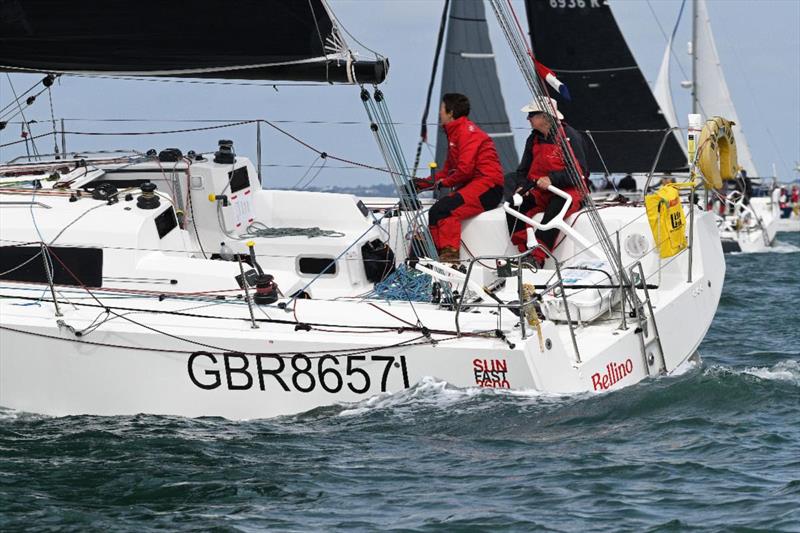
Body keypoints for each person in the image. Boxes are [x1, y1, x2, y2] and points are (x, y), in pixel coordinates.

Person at [413, 93, 504, 264]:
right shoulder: (455, 133)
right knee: (436, 212)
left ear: (451, 112)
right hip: (475, 185)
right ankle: (434, 254)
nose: (439, 113)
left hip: (488, 187)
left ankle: (450, 258)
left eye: (441, 109)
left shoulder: (466, 132)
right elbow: (448, 171)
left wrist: (445, 183)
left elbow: (465, 170)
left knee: (444, 209)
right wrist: (422, 184)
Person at [505, 97, 589, 266]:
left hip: (569, 191)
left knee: (554, 210)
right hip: (540, 191)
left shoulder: (569, 136)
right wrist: (522, 186)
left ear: (544, 116)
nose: (527, 118)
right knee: (513, 206)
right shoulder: (533, 139)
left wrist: (552, 179)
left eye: (531, 114)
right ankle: (525, 252)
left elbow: (581, 172)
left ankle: (537, 257)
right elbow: (523, 170)